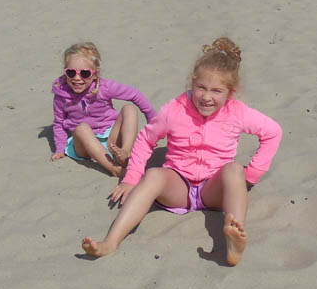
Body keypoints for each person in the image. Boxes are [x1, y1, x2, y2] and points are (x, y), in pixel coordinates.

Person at [81, 37, 282, 265]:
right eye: (201, 88)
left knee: (235, 170)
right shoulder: (175, 110)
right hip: (179, 188)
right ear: (192, 83)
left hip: (213, 189)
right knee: (154, 174)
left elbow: (273, 132)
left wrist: (252, 174)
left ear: (230, 93)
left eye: (216, 91)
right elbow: (147, 139)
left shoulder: (237, 112)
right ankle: (111, 241)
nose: (207, 97)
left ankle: (233, 241)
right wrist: (131, 177)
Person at [52, 42, 155, 178]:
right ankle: (114, 169)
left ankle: (125, 152)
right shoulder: (62, 94)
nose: (77, 78)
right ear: (65, 73)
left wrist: (153, 120)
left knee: (129, 109)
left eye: (85, 73)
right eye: (71, 73)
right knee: (82, 128)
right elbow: (59, 122)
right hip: (84, 145)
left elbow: (135, 94)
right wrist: (60, 148)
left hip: (110, 138)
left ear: (95, 74)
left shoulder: (105, 87)